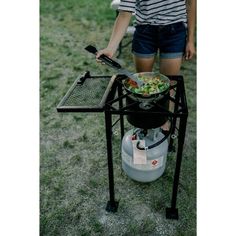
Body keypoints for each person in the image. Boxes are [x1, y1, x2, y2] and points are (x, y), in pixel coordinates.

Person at [96, 0, 196, 131]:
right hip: (145, 31)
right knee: (143, 85)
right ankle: (146, 121)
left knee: (168, 85)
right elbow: (125, 12)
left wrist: (190, 40)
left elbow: (191, 3)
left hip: (175, 30)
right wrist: (110, 48)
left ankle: (164, 121)